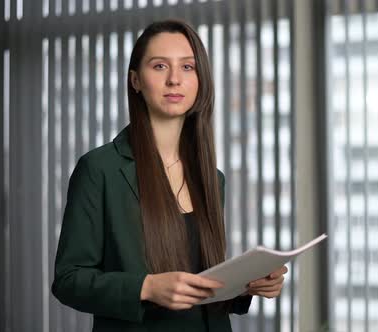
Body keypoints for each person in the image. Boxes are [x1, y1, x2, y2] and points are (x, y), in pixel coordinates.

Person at [51, 19, 288, 332]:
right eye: (160, 66)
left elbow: (201, 284)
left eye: (188, 67)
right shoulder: (100, 169)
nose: (175, 79)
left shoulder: (212, 178)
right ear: (135, 80)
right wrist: (146, 288)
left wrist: (249, 285)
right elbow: (68, 280)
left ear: (200, 80)